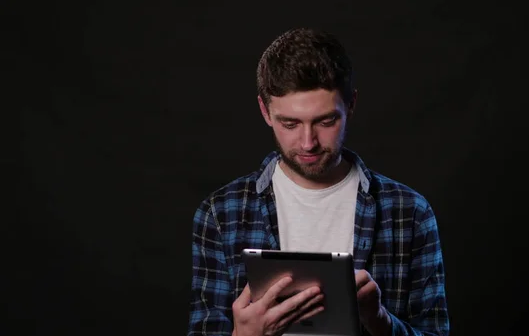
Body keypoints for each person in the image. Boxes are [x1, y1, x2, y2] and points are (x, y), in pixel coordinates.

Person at [188, 27, 449, 336]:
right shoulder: (220, 213)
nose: (308, 142)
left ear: (350, 105)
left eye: (326, 121)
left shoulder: (410, 213)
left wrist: (380, 320)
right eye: (290, 124)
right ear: (264, 111)